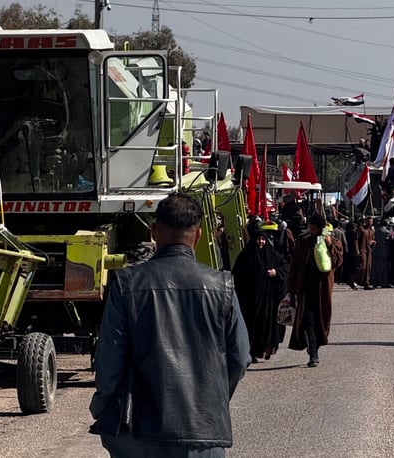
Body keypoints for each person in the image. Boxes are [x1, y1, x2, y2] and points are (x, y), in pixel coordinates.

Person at [90, 193, 249, 457]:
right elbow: (240, 358)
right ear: (197, 237)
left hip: (140, 432)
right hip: (203, 434)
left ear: (154, 232)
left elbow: (109, 362)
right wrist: (211, 399)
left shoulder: (127, 284)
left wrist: (104, 406)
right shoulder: (222, 286)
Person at [287, 213, 344, 367]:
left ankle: (314, 347)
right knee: (307, 321)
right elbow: (295, 265)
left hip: (322, 290)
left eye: (313, 228)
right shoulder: (303, 241)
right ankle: (313, 353)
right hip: (305, 289)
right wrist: (291, 287)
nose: (311, 231)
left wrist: (329, 244)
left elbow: (337, 262)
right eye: (310, 228)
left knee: (320, 322)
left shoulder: (332, 241)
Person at [232, 229, 291, 364]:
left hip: (268, 298)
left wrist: (276, 272)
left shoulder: (272, 254)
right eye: (258, 239)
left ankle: (265, 348)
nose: (261, 242)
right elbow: (237, 275)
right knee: (251, 325)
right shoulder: (246, 256)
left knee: (266, 322)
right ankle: (251, 352)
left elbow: (285, 266)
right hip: (250, 299)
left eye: (263, 239)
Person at [356, 216, 377, 290]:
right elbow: (356, 240)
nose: (370, 223)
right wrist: (357, 250)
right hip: (362, 250)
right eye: (369, 221)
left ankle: (366, 283)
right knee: (362, 266)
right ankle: (354, 279)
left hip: (369, 250)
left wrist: (373, 242)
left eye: (371, 221)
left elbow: (373, 239)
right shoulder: (361, 229)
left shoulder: (372, 230)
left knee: (369, 267)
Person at [371, 218, 392, 288]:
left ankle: (375, 282)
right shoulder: (387, 232)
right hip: (384, 251)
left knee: (376, 267)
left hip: (376, 250)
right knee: (384, 268)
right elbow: (388, 242)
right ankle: (384, 282)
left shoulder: (376, 230)